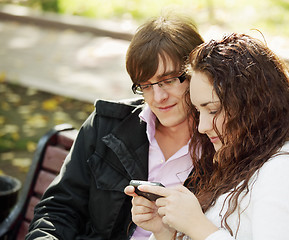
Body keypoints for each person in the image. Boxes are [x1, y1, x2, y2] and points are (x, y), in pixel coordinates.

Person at [125, 33, 289, 240]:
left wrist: (197, 226)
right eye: (198, 111)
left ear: (252, 105)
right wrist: (166, 232)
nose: (202, 126)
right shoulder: (241, 161)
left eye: (212, 110)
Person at [26, 14, 203, 239]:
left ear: (196, 74)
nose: (158, 97)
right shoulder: (106, 126)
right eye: (146, 85)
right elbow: (59, 208)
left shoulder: (221, 144)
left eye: (168, 80)